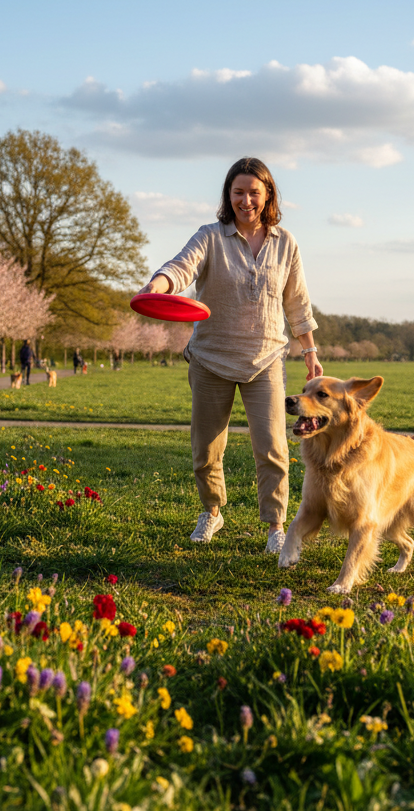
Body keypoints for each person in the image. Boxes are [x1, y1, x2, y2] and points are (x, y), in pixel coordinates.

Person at [138, 157, 322, 554]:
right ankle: (212, 511)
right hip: (211, 360)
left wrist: (309, 352)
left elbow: (298, 304)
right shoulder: (209, 236)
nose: (246, 200)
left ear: (268, 194)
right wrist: (158, 285)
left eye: (254, 192)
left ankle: (275, 525)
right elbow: (181, 267)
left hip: (265, 361)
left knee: (273, 446)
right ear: (228, 195)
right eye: (238, 192)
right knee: (207, 447)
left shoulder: (285, 242)